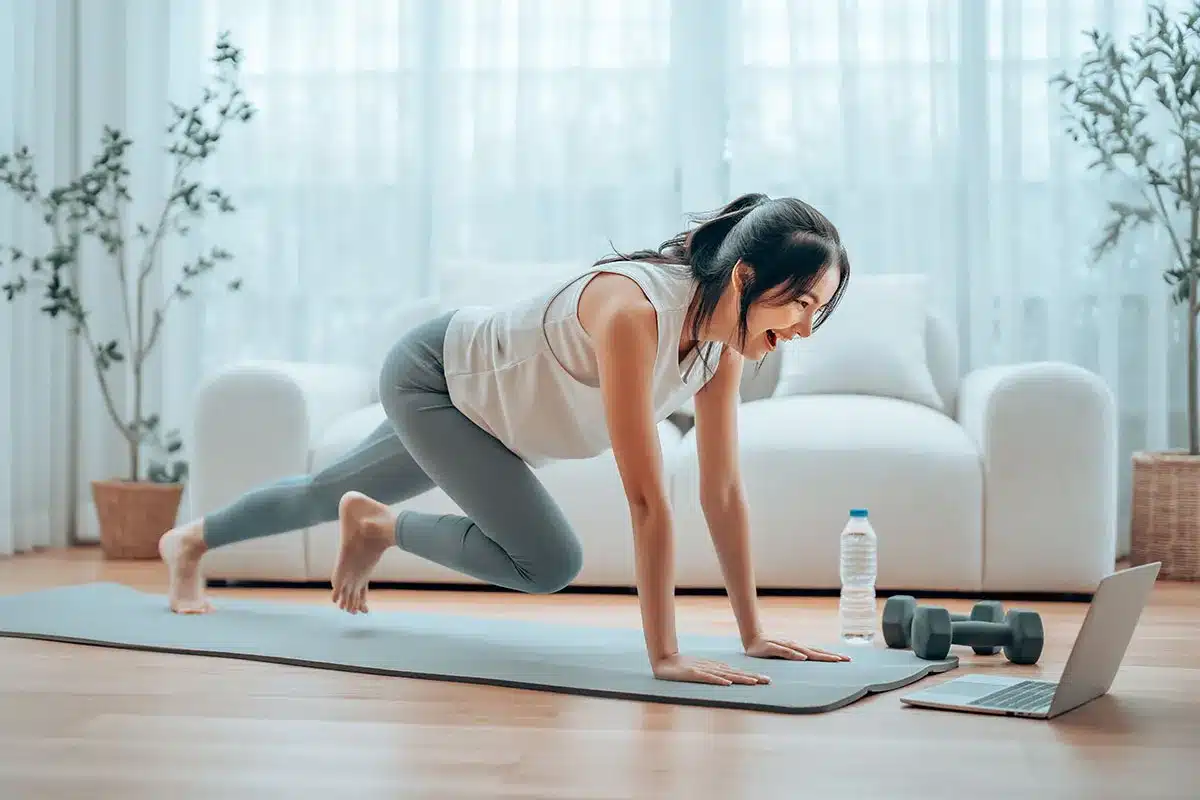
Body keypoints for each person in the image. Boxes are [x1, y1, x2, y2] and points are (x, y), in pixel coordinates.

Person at [159, 192, 853, 687]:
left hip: (485, 414)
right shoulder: (634, 312)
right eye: (799, 305)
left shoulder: (721, 346)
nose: (802, 329)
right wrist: (664, 655)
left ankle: (189, 540)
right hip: (436, 378)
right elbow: (647, 502)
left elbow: (723, 492)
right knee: (549, 559)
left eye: (816, 313)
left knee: (325, 489)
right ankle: (377, 525)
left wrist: (752, 633)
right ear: (744, 277)